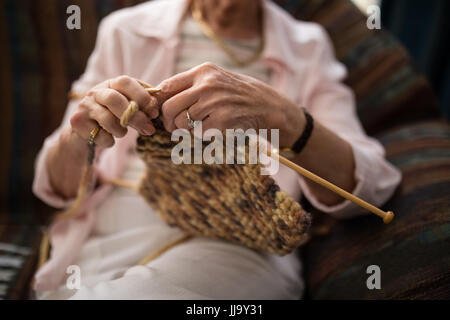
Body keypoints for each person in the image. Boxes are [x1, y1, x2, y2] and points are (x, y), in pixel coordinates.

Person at [32, 0, 401, 299]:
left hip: (241, 237)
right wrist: (79, 136)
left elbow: (371, 186)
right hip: (107, 234)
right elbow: (56, 189)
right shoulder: (126, 29)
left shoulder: (307, 45)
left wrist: (287, 118)